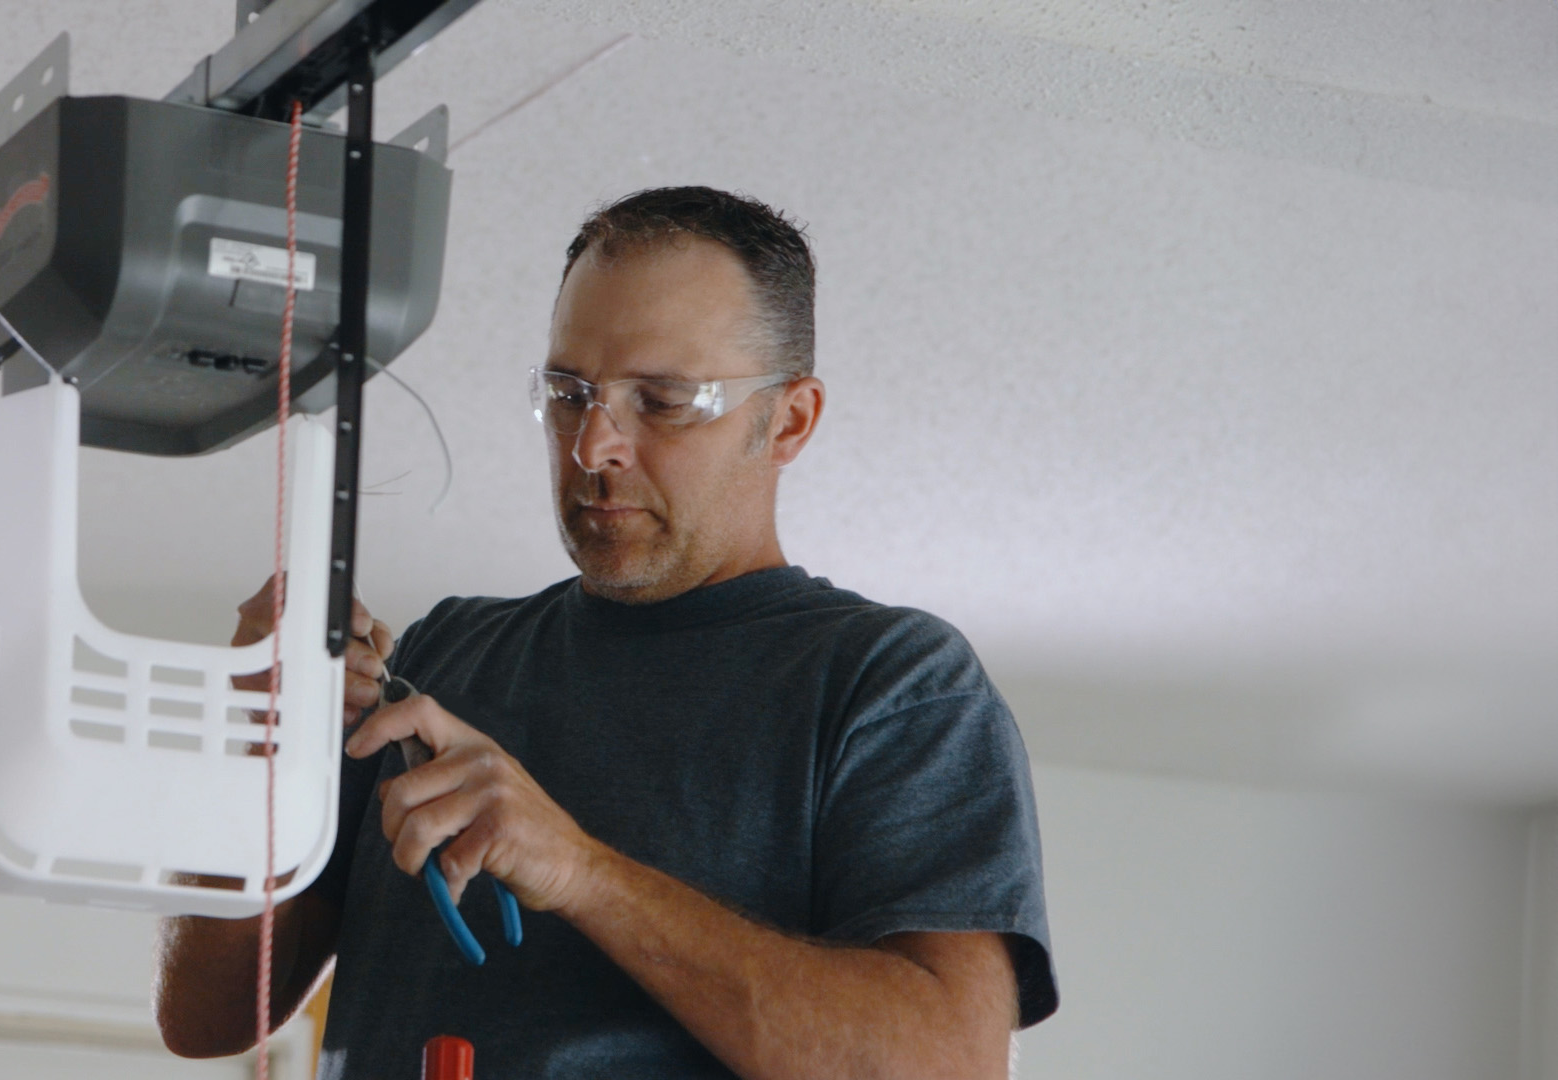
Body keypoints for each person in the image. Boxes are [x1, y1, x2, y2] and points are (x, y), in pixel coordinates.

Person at [155, 186, 1056, 1078]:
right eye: (569, 392)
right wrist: (253, 743)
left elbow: (948, 1064)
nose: (593, 448)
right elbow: (205, 1016)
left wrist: (579, 873)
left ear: (789, 421)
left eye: (662, 401)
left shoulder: (892, 684)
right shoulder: (441, 658)